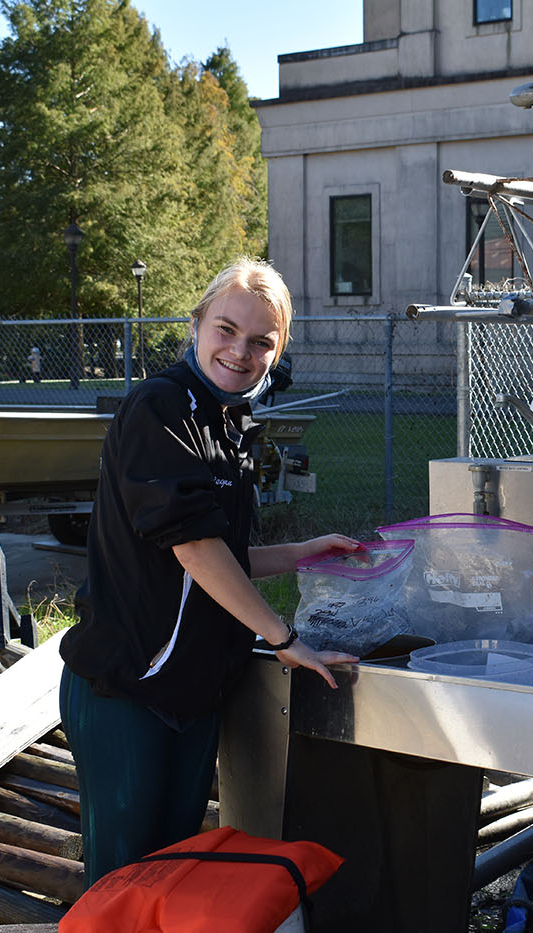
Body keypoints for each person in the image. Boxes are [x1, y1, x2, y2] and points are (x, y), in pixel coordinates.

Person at [58, 257, 360, 887]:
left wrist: (309, 549)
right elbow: (194, 550)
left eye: (260, 343)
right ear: (195, 324)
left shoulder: (227, 424)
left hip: (192, 693)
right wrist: (284, 640)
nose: (239, 352)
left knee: (169, 878)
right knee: (119, 884)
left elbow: (218, 561)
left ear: (276, 355)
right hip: (128, 687)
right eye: (225, 329)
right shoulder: (160, 407)